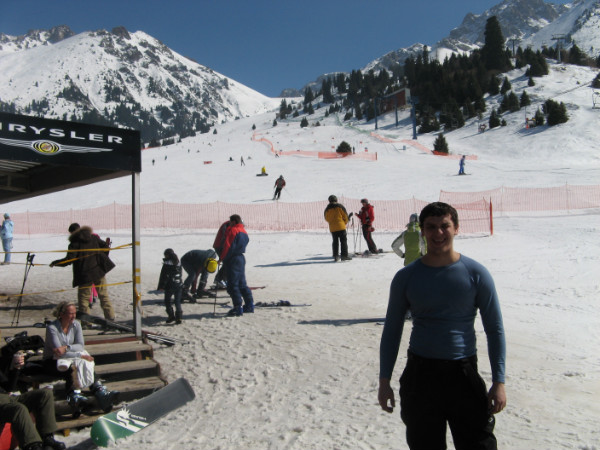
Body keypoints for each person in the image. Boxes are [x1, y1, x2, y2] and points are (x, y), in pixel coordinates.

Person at [378, 202, 506, 450]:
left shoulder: (476, 274)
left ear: (456, 228)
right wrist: (384, 382)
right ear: (422, 231)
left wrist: (499, 382)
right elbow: (392, 331)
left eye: (444, 226)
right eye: (431, 227)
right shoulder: (406, 277)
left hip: (463, 375)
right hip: (420, 377)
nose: (438, 233)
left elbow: (495, 329)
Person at [43, 302, 119, 418]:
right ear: (61, 314)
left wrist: (67, 348)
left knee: (87, 364)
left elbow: (80, 345)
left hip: (71, 357)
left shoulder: (76, 325)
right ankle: (74, 397)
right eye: (70, 313)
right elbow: (58, 352)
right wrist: (79, 355)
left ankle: (100, 392)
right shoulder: (52, 328)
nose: (73, 316)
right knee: (72, 369)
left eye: (75, 313)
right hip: (52, 361)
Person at [0, 351, 66, 450]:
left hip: (7, 398)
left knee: (45, 394)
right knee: (19, 409)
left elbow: (8, 387)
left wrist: (16, 368)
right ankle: (32, 445)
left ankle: (46, 438)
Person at [50, 224, 115, 320]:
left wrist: (55, 263)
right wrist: (99, 259)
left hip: (85, 275)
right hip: (98, 272)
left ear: (72, 232)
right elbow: (106, 247)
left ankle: (86, 323)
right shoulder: (93, 237)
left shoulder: (74, 243)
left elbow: (69, 260)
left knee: (84, 300)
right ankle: (111, 318)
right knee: (104, 296)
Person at [220, 214, 254, 317]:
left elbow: (227, 245)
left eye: (230, 222)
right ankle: (249, 305)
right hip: (241, 257)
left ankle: (237, 307)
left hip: (233, 258)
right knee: (242, 283)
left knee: (232, 285)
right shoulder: (244, 231)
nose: (229, 224)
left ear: (234, 221)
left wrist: (222, 258)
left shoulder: (233, 230)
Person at [157, 248, 184, 324]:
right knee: (177, 301)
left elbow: (164, 276)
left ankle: (171, 316)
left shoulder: (167, 264)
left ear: (167, 255)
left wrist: (161, 286)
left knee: (167, 301)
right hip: (179, 284)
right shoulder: (179, 263)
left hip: (170, 285)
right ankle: (179, 317)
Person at [324, 195, 351, 261]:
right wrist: (344, 222)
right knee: (343, 241)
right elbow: (345, 216)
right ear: (336, 200)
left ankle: (336, 255)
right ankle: (344, 255)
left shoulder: (327, 209)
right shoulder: (340, 206)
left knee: (335, 242)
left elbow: (326, 218)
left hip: (333, 228)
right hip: (341, 227)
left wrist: (332, 222)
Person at [212, 220, 230, 289]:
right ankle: (219, 280)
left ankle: (222, 279)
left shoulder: (230, 224)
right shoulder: (227, 224)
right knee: (227, 263)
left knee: (228, 263)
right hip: (220, 246)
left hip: (222, 246)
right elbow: (225, 236)